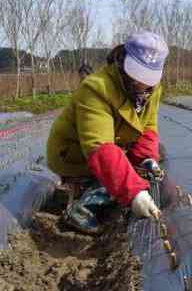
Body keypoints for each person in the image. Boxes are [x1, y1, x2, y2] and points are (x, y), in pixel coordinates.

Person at [47, 31, 168, 233]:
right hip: (75, 153)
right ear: (123, 60)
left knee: (140, 170)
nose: (142, 84)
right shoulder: (96, 88)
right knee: (121, 179)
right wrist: (133, 193)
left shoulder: (152, 90)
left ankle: (95, 190)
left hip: (113, 145)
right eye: (137, 75)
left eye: (148, 78)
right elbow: (100, 148)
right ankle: (81, 208)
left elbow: (147, 127)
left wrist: (147, 158)